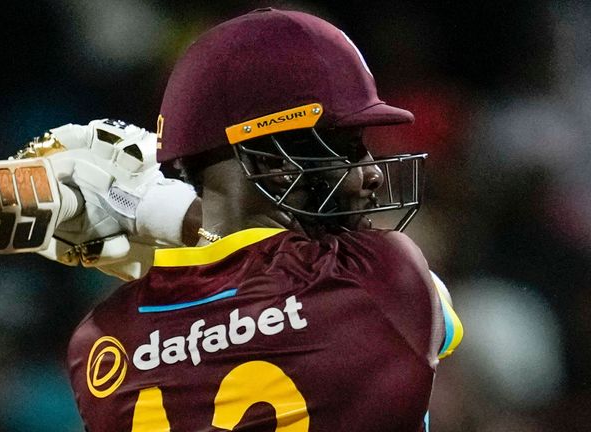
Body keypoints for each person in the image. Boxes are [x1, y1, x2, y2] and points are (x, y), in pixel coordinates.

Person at [63, 8, 463, 431]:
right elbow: (441, 316)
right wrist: (160, 210)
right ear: (271, 164)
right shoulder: (383, 278)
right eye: (345, 147)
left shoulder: (97, 343)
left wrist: (151, 210)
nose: (371, 172)